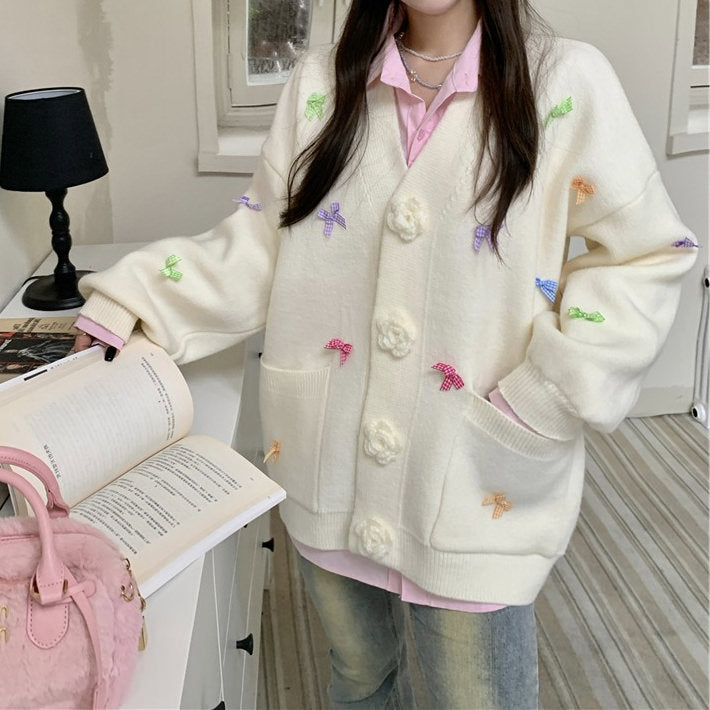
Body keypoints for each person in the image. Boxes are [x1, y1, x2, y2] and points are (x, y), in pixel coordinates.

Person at [73, 0, 698, 706]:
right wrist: (134, 299)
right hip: (326, 464)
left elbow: (647, 253)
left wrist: (548, 393)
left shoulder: (566, 83)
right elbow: (259, 247)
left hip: (473, 480)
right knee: (360, 681)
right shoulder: (321, 83)